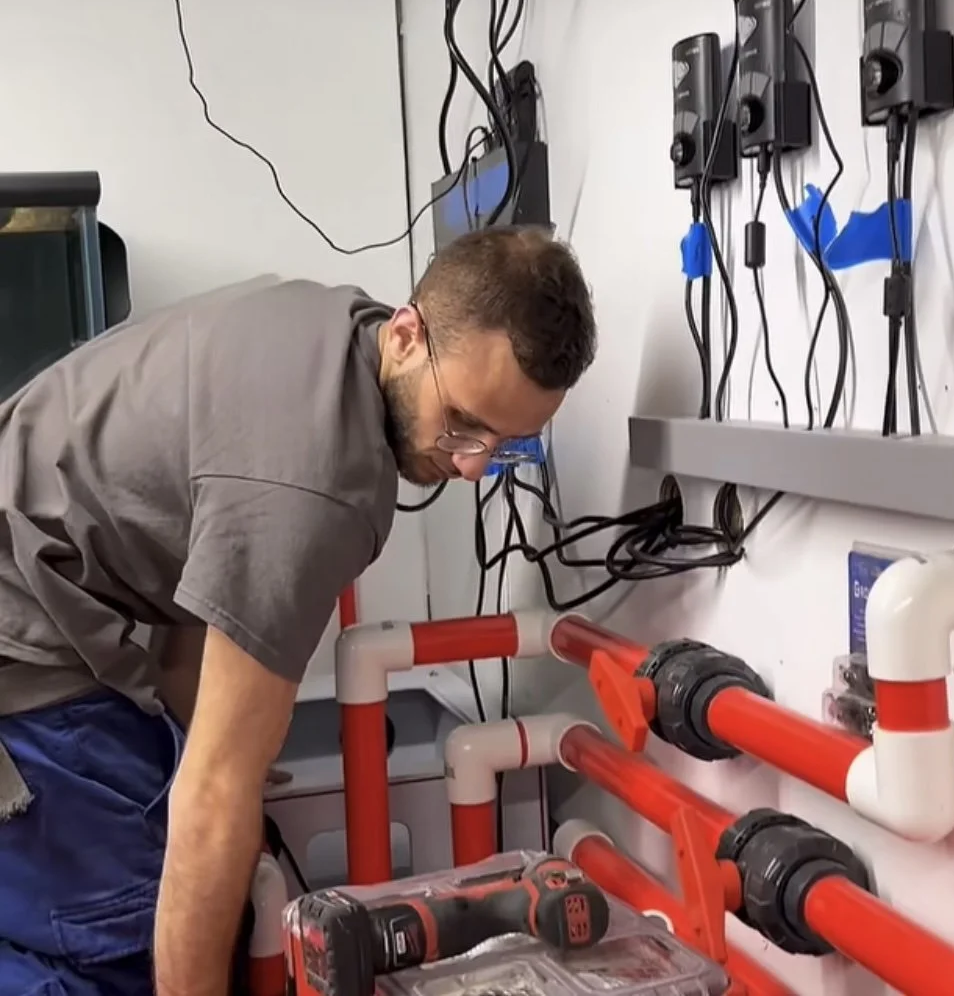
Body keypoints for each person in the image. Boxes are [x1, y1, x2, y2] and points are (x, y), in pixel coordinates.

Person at [0, 225, 597, 995]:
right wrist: (222, 784)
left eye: (508, 444)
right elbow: (211, 799)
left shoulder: (334, 329)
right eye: (463, 423)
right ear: (409, 334)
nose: (472, 466)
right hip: (22, 643)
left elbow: (193, 595)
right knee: (119, 934)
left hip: (46, 602)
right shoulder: (316, 486)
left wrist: (215, 767)